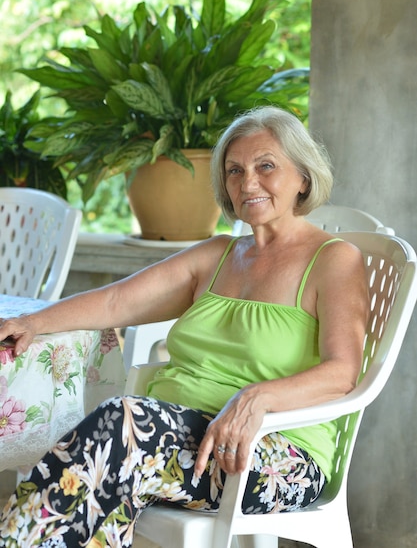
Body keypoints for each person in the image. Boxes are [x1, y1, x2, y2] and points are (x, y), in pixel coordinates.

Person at [0, 105, 369, 548]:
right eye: (234, 171)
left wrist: (257, 397)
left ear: (303, 177)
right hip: (164, 439)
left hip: (271, 453)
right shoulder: (216, 256)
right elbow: (118, 300)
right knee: (105, 471)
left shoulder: (333, 259)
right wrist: (32, 321)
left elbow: (343, 372)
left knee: (118, 425)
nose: (247, 182)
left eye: (265, 166)